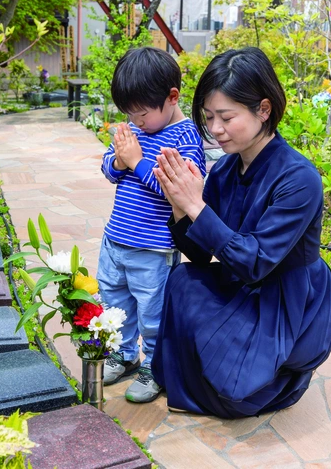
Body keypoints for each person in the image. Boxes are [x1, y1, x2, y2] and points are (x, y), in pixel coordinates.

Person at [150, 47, 331, 418]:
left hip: (288, 297)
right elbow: (201, 255)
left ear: (263, 110)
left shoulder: (298, 178)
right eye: (209, 117)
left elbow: (256, 262)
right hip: (244, 281)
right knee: (184, 278)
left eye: (226, 117)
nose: (216, 129)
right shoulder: (225, 171)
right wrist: (179, 205)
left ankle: (286, 373)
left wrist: (196, 206)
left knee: (235, 397)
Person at [98, 47, 207, 403]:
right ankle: (125, 355)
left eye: (142, 114)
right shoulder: (135, 128)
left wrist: (137, 161)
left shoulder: (185, 138)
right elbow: (109, 169)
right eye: (129, 114)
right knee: (116, 304)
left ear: (172, 97)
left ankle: (155, 368)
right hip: (116, 240)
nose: (136, 122)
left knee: (153, 314)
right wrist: (119, 160)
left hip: (153, 248)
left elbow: (180, 192)